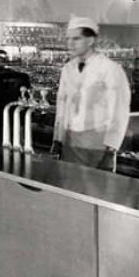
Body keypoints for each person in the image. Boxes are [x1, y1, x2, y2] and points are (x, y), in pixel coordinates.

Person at [48, 16, 131, 170]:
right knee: (69, 188)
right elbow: (62, 106)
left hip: (97, 143)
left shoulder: (110, 69)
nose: (70, 44)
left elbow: (119, 110)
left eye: (76, 39)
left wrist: (111, 148)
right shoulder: (68, 69)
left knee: (96, 189)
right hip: (70, 140)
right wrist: (57, 139)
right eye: (68, 39)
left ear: (91, 40)